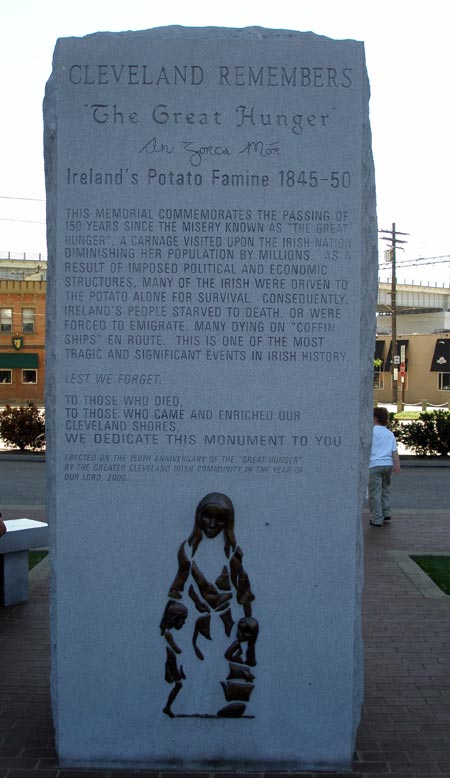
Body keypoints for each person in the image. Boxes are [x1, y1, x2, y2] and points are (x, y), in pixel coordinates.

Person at [161, 492, 258, 718]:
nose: (212, 524)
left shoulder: (231, 551)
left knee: (220, 664)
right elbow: (178, 585)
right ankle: (191, 707)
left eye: (220, 519)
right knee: (195, 666)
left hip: (225, 620)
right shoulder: (188, 550)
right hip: (199, 619)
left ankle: (216, 706)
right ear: (198, 517)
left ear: (228, 521)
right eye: (207, 517)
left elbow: (243, 587)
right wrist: (166, 622)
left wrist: (249, 620)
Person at [368, 407, 400, 526]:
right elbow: (394, 451)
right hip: (388, 465)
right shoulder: (389, 433)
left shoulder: (371, 432)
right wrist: (397, 464)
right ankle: (386, 513)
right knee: (385, 489)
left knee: (375, 492)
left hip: (374, 465)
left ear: (375, 418)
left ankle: (377, 518)